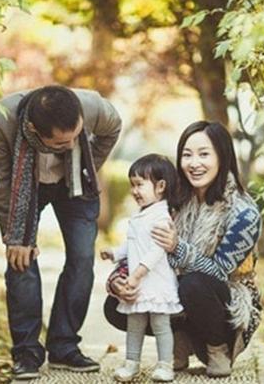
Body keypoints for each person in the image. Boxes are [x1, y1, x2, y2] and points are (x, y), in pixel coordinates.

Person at [0, 85, 122, 380]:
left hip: (75, 183)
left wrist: (86, 167)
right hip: (22, 188)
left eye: (75, 137)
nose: (70, 144)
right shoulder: (1, 121)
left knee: (81, 258)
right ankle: (26, 352)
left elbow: (113, 129)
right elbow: (0, 182)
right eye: (61, 143)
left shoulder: (93, 108)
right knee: (21, 260)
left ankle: (64, 346)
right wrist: (16, 236)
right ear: (33, 129)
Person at [104, 121, 262, 378]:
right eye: (187, 154)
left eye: (204, 154)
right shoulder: (171, 201)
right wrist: (119, 280)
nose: (194, 163)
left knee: (194, 283)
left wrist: (178, 247)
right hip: (177, 297)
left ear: (223, 156)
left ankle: (217, 349)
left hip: (224, 310)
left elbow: (220, 273)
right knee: (115, 305)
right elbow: (142, 246)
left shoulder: (243, 212)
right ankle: (178, 339)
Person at [100, 154, 182, 382]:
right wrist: (116, 253)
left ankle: (165, 364)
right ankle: (131, 363)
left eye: (139, 185)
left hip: (154, 282)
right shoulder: (142, 214)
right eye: (132, 185)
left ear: (160, 187)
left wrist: (136, 275)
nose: (134, 191)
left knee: (161, 325)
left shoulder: (161, 217)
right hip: (137, 284)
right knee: (134, 325)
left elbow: (157, 251)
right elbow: (132, 244)